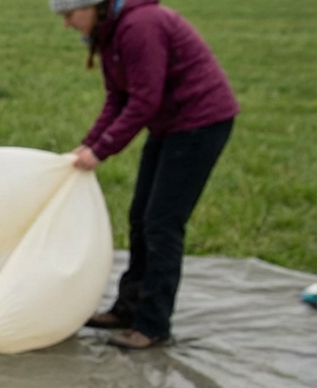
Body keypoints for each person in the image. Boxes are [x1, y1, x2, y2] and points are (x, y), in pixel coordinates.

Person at [53, 0, 239, 349]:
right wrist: (88, 144)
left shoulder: (141, 26)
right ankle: (128, 309)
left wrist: (102, 149)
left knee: (162, 223)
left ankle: (152, 325)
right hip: (169, 124)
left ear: (92, 5)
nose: (67, 24)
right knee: (140, 216)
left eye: (69, 15)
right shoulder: (109, 33)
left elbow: (144, 100)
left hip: (200, 123)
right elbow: (117, 98)